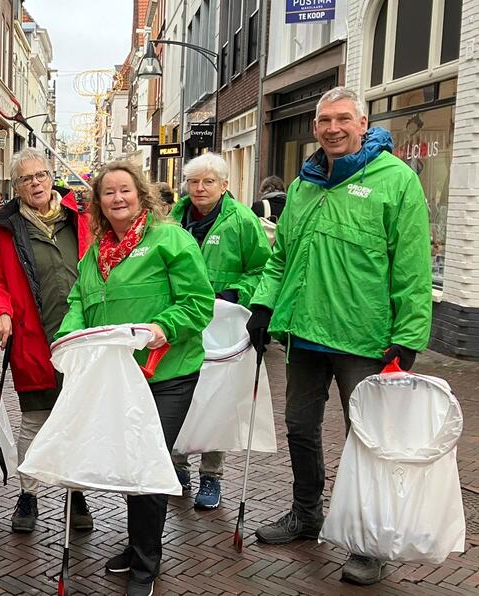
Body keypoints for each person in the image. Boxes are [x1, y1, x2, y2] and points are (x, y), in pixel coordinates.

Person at [246, 87, 432, 585]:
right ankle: (307, 514)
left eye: (342, 119)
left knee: (366, 440)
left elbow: (412, 266)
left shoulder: (396, 181)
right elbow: (281, 256)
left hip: (364, 336)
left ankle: (370, 542)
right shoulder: (305, 184)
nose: (332, 128)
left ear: (363, 122)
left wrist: (409, 334)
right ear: (315, 127)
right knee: (300, 428)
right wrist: (264, 303)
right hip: (304, 333)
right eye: (324, 120)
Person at [57, 160, 213, 596]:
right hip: (116, 376)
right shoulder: (96, 253)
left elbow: (199, 302)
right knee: (130, 459)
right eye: (108, 193)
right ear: (98, 203)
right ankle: (137, 544)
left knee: (147, 459)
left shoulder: (170, 239)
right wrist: (69, 335)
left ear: (140, 194)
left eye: (125, 190)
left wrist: (162, 327)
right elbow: (78, 301)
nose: (117, 199)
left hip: (167, 373)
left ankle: (147, 561)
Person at [0, 148, 93, 534]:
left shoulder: (81, 222)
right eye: (27, 178)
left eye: (41, 175)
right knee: (33, 420)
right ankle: (28, 494)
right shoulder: (3, 233)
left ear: (52, 178)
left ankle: (76, 493)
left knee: (77, 421)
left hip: (80, 340)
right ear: (16, 187)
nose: (36, 183)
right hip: (32, 339)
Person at [168, 153, 272, 510]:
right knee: (181, 392)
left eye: (209, 182)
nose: (200, 188)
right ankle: (178, 466)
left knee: (218, 399)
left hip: (224, 321)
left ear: (224, 185)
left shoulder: (242, 220)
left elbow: (263, 268)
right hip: (183, 319)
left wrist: (234, 295)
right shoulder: (172, 220)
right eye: (194, 181)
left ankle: (211, 475)